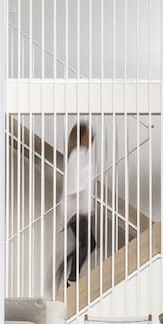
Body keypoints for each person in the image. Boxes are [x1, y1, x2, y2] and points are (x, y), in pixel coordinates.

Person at [59, 120, 96, 287]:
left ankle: (67, 268)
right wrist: (80, 209)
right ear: (81, 137)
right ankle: (71, 278)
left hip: (78, 208)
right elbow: (76, 184)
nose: (91, 138)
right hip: (75, 209)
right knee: (89, 243)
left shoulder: (81, 154)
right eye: (88, 135)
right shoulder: (78, 154)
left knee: (87, 243)